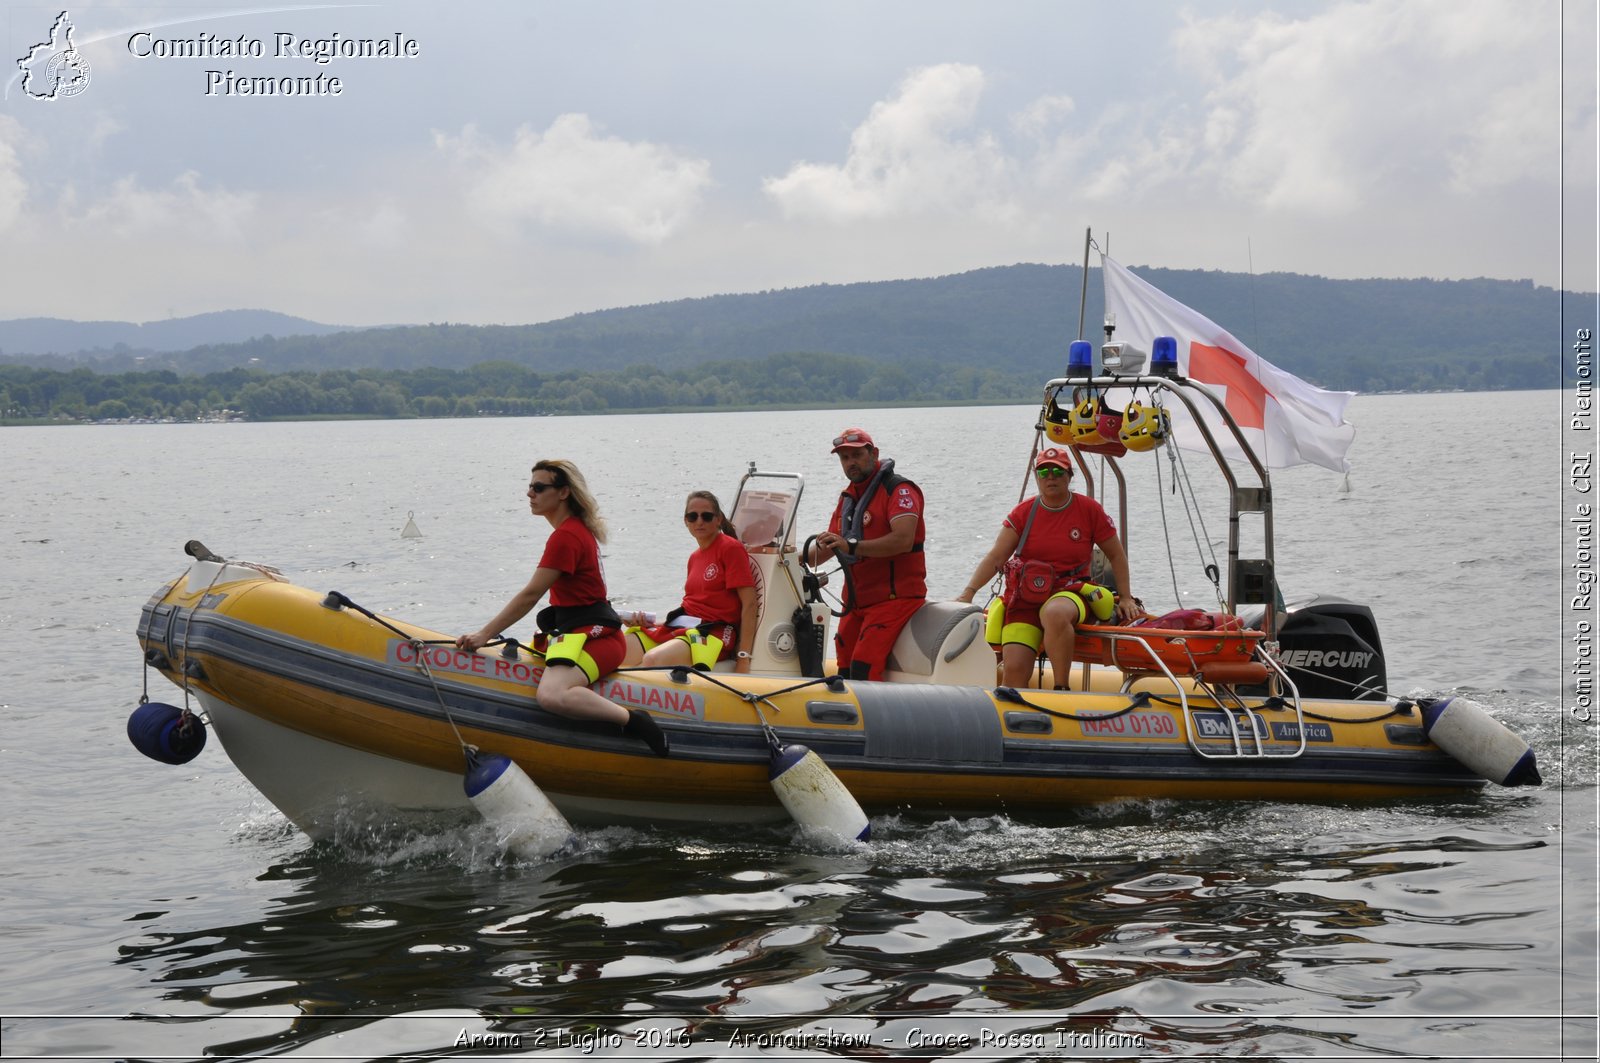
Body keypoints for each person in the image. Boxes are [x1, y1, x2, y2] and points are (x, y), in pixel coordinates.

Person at [456, 459, 668, 756]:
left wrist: (484, 635)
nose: (530, 493)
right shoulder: (575, 530)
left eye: (539, 487)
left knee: (551, 695)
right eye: (530, 487)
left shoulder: (566, 537)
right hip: (581, 633)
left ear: (563, 492)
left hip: (599, 640)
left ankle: (635, 720)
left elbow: (530, 595)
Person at [956, 447, 1138, 689]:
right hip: (1027, 596)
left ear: (1069, 476)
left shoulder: (1088, 509)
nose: (1050, 476)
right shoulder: (1023, 513)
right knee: (1014, 670)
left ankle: (1061, 688)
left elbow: (1116, 555)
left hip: (1071, 590)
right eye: (1043, 472)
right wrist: (969, 592)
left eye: (1057, 471)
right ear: (1037, 477)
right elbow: (996, 557)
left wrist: (1125, 597)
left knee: (1054, 612)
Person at [808, 427, 927, 680]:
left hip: (894, 599)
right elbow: (827, 547)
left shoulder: (899, 490)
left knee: (863, 666)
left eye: (856, 455)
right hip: (855, 601)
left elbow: (903, 540)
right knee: (844, 667)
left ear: (874, 454)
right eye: (844, 458)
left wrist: (851, 546)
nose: (850, 462)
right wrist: (784, 557)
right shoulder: (848, 498)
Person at [623, 490, 759, 674]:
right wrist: (652, 624)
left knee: (652, 659)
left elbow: (750, 603)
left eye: (707, 516)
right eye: (692, 516)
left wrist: (744, 656)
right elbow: (691, 608)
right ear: (685, 521)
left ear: (718, 519)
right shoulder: (694, 558)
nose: (699, 521)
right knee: (618, 650)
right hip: (686, 626)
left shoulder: (730, 548)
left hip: (714, 632)